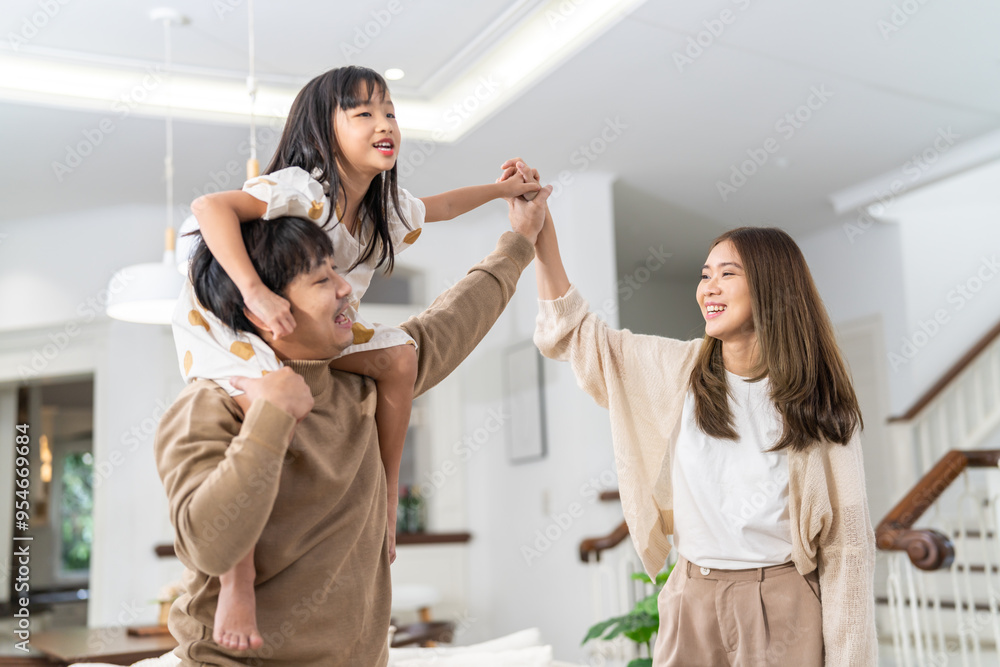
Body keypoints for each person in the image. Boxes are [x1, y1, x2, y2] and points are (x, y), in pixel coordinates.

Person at [171, 65, 540, 649]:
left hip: (292, 323)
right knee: (265, 398)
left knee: (400, 358)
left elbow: (443, 207)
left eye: (389, 111)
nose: (384, 123)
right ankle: (236, 584)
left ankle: (390, 496)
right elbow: (209, 207)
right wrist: (254, 292)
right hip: (229, 314)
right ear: (323, 129)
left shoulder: (381, 213)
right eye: (363, 113)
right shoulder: (302, 191)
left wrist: (504, 194)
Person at [526, 181, 877, 666]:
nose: (708, 287)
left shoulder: (820, 403)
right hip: (691, 600)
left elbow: (848, 548)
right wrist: (541, 233)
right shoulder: (678, 371)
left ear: (772, 287)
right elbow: (577, 335)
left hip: (783, 604)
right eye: (705, 274)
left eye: (727, 274)